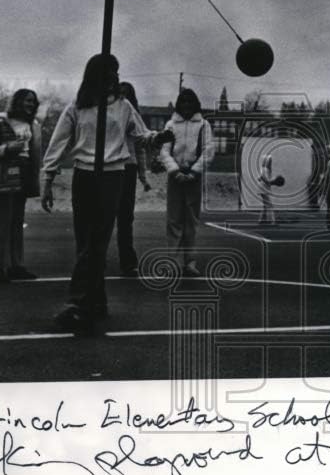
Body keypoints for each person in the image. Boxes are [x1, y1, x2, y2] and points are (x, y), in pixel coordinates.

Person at [40, 55, 168, 331]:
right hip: (84, 175)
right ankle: (97, 301)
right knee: (85, 240)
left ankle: (79, 302)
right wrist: (48, 179)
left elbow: (141, 135)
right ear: (97, 74)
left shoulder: (123, 107)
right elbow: (58, 142)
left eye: (117, 72)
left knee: (96, 241)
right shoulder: (78, 106)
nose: (116, 77)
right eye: (111, 71)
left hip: (112, 175)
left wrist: (159, 137)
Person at [0, 88, 41, 283]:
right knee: (3, 222)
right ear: (17, 102)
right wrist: (7, 148)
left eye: (33, 101)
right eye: (27, 101)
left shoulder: (33, 125)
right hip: (6, 175)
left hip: (24, 172)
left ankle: (16, 265)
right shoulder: (1, 122)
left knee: (17, 221)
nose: (30, 104)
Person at [160, 88, 214, 277]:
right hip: (175, 176)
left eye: (190, 102)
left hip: (193, 177)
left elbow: (208, 151)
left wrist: (193, 172)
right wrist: (174, 170)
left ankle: (189, 262)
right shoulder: (171, 124)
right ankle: (173, 262)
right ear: (178, 104)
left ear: (196, 104)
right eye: (183, 102)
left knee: (191, 221)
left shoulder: (204, 125)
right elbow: (164, 151)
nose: (186, 105)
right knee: (174, 220)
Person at [115, 81, 152, 276]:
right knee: (104, 216)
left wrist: (143, 177)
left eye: (126, 94)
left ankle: (127, 261)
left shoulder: (134, 119)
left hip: (128, 168)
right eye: (119, 93)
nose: (123, 97)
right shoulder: (111, 115)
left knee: (125, 217)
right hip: (110, 167)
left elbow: (140, 150)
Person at [257, 153, 276, 225]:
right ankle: (272, 221)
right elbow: (263, 178)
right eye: (269, 160)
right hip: (263, 188)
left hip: (263, 188)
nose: (270, 162)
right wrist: (272, 182)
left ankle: (261, 220)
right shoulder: (264, 169)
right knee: (270, 205)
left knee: (265, 205)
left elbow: (259, 178)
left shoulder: (265, 169)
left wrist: (271, 181)